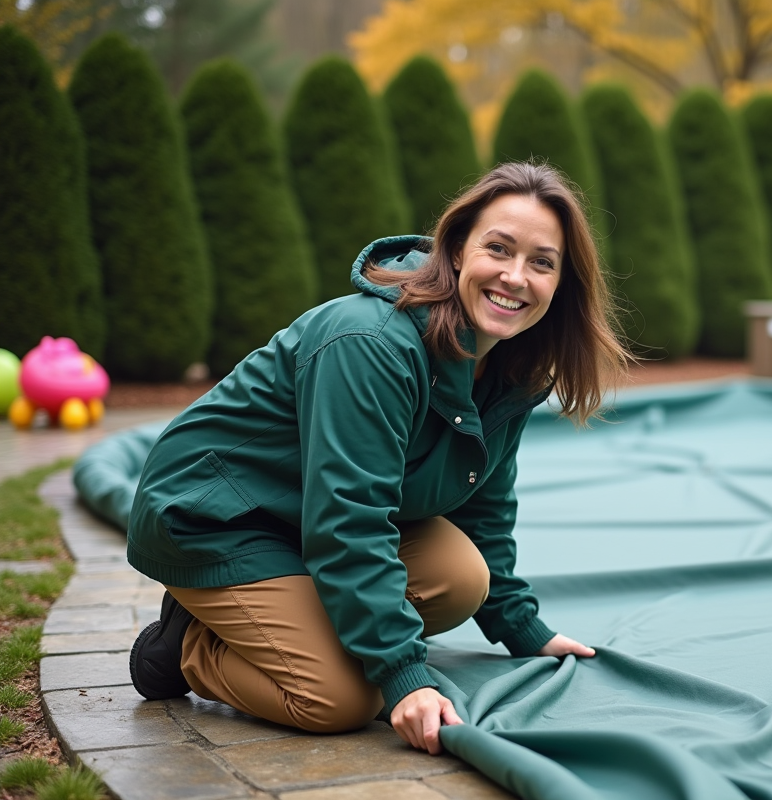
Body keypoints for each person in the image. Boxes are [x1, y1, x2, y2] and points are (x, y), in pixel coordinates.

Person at [125, 162, 630, 755]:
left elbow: (485, 502)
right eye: (498, 248)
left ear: (562, 282)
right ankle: (188, 645)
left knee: (461, 579)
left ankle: (290, 611)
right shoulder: (372, 343)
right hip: (215, 517)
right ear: (456, 250)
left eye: (542, 262)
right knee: (339, 698)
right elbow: (350, 519)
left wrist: (522, 628)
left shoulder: (513, 364)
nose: (515, 276)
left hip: (302, 518)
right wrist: (402, 674)